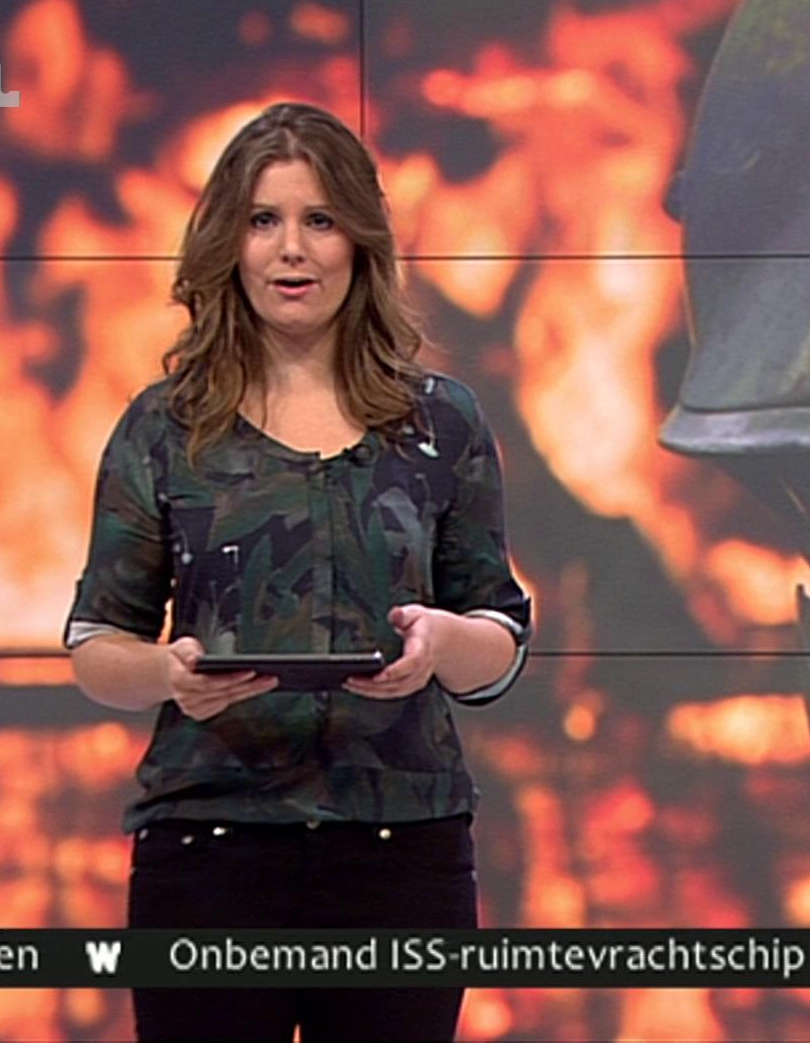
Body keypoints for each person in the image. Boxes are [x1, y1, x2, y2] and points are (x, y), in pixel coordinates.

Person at [64, 101, 532, 1042]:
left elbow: (501, 640)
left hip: (401, 857)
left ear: (359, 240)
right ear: (227, 244)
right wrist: (169, 673)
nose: (292, 250)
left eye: (319, 220)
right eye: (263, 220)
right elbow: (96, 645)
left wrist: (441, 644)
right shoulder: (165, 428)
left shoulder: (441, 423)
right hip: (211, 853)